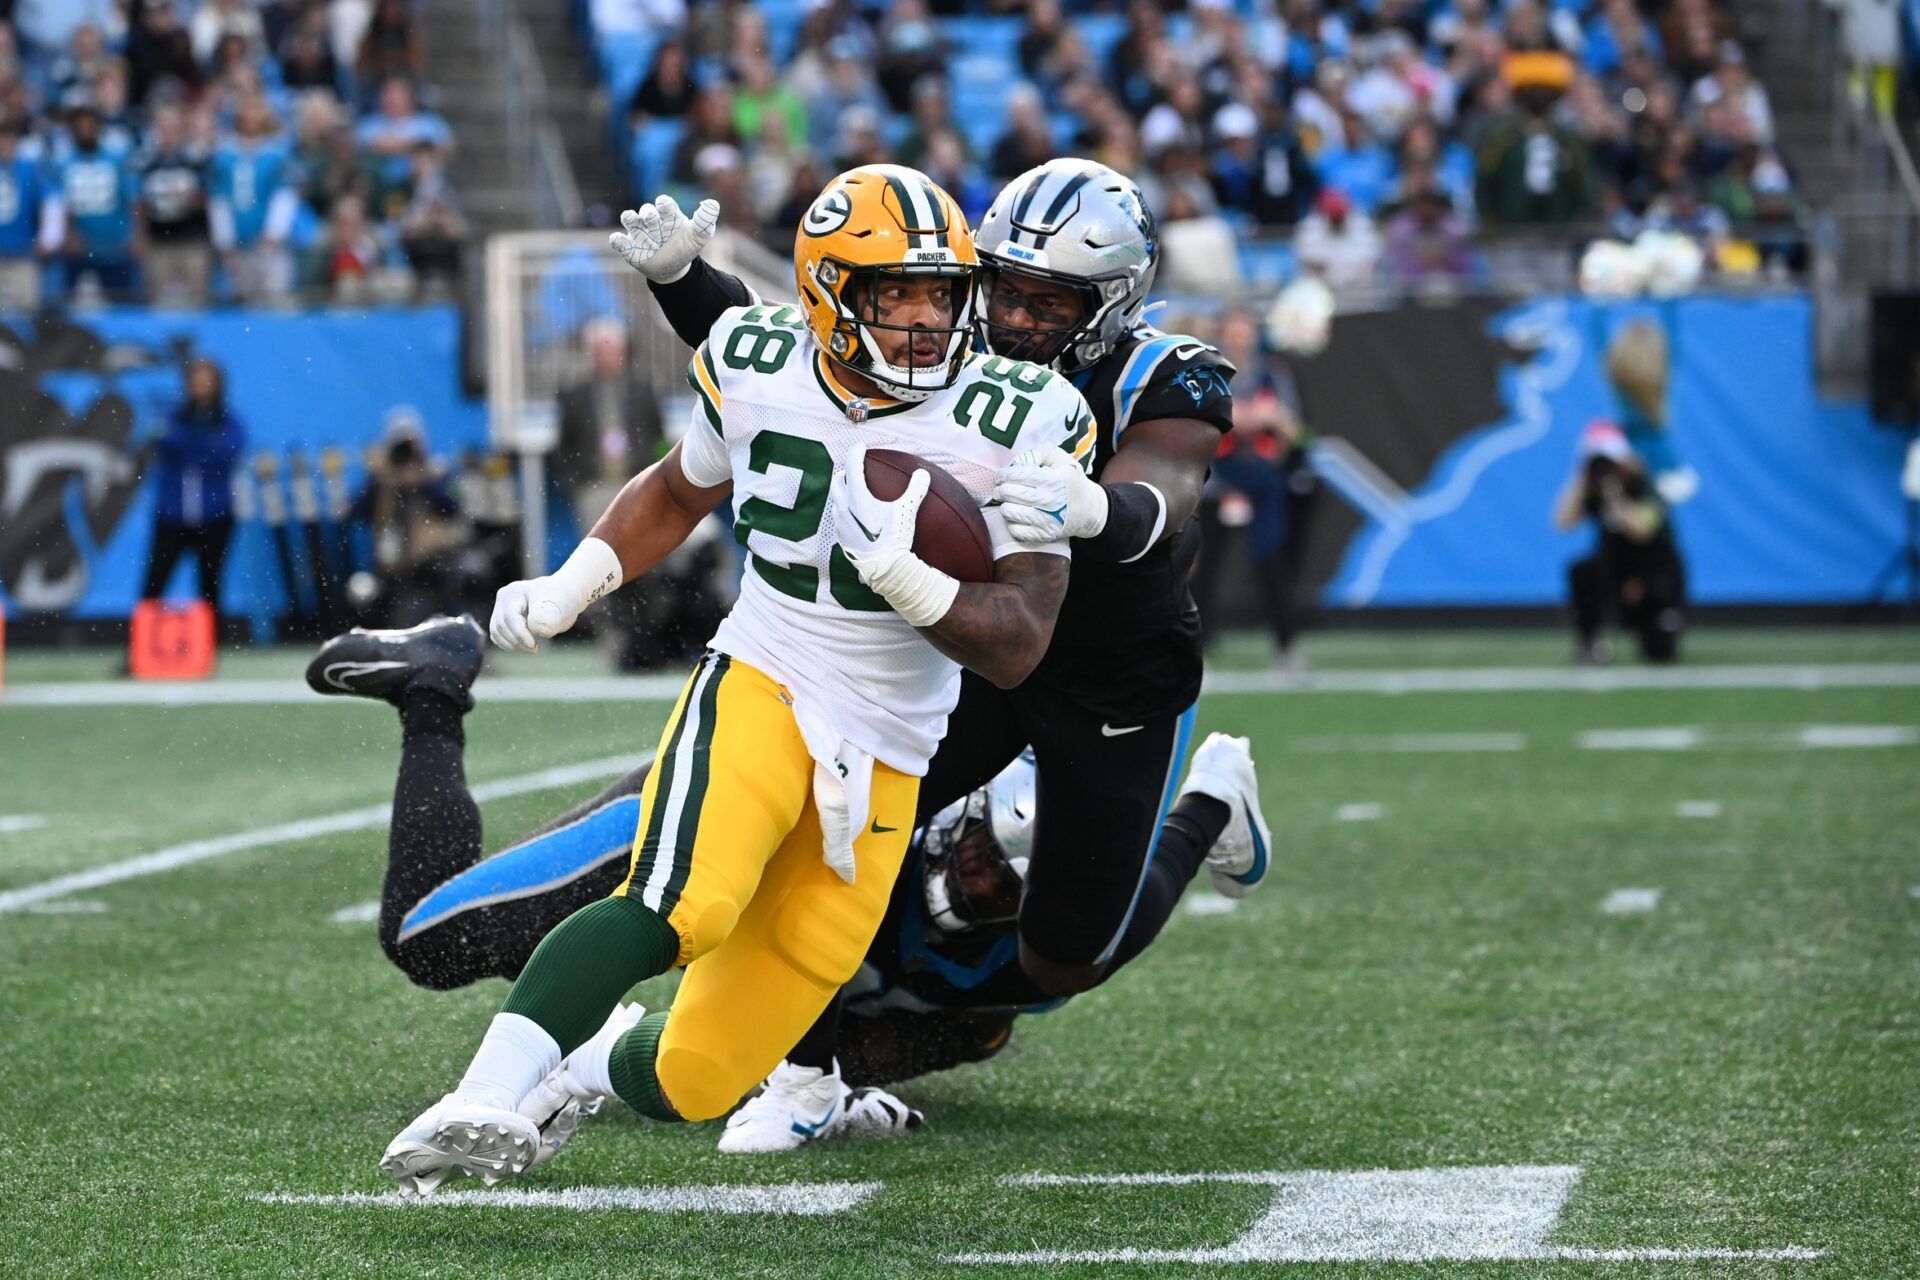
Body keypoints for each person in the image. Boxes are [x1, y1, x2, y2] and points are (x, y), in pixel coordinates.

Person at [380, 165, 1091, 1195]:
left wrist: (911, 580)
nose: (929, 320)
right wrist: (579, 578)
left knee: (703, 1073)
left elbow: (1020, 640)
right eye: (899, 296)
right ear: (832, 298)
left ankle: (578, 1064)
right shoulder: (759, 362)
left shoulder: (1022, 416)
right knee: (681, 900)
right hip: (768, 675)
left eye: (944, 292)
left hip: (892, 747)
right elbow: (677, 486)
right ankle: (479, 1093)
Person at [608, 155, 1267, 1152]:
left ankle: (1211, 800)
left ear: (1113, 301)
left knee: (1064, 956)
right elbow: (786, 357)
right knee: (832, 820)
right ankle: (807, 1071)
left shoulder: (1160, 375)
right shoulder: (947, 341)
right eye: (1000, 285)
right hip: (971, 641)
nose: (1012, 319)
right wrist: (687, 285)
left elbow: (1166, 492)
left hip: (1106, 675)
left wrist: (1097, 507)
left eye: (1048, 302)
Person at [303, 615, 1266, 1156]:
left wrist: (1211, 800)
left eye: (998, 888)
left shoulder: (1052, 953)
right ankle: (434, 684)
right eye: (977, 854)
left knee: (732, 1057)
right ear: (961, 814)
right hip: (734, 819)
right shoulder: (889, 839)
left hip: (794, 937)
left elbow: (1154, 868)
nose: (973, 885)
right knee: (429, 942)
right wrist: (812, 1070)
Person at [1554, 421, 1686, 663]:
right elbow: (1562, 522)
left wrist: (1617, 499)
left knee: (1659, 653)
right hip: (1614, 571)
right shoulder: (1590, 489)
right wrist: (1582, 477)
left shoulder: (1646, 486)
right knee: (1581, 571)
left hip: (1653, 577)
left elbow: (1643, 529)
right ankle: (1589, 642)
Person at [142, 358, 246, 620]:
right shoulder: (174, 416)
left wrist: (191, 444)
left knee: (210, 584)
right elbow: (161, 440)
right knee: (154, 583)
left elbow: (226, 452)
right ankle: (138, 650)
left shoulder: (228, 421)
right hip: (172, 515)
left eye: (207, 380)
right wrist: (198, 442)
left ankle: (209, 650)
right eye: (195, 381)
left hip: (215, 515)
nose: (201, 386)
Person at [350, 407, 470, 629]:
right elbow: (355, 512)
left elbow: (454, 509)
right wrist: (381, 479)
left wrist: (423, 482)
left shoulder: (437, 471)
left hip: (433, 567)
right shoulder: (383, 477)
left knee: (415, 622)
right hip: (393, 570)